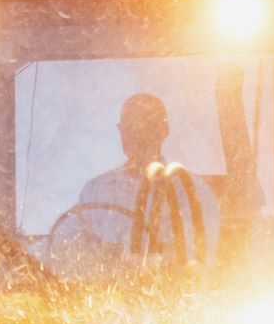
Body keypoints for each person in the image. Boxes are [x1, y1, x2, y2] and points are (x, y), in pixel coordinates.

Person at [55, 92, 216, 271]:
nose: (134, 134)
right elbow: (63, 245)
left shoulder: (190, 190)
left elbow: (197, 258)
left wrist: (133, 262)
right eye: (128, 127)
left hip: (167, 294)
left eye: (144, 125)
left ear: (164, 130)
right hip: (105, 294)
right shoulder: (96, 189)